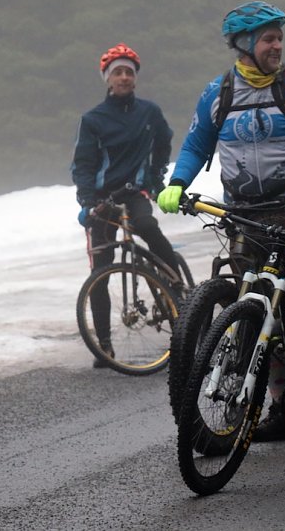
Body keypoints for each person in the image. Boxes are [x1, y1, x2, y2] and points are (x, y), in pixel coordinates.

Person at [157, 1, 285, 441]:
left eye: (279, 38)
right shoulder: (218, 92)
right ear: (244, 45)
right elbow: (197, 143)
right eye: (268, 39)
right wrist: (177, 181)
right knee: (260, 308)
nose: (277, 45)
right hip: (244, 216)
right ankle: (280, 411)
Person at [71, 42, 180, 368]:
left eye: (128, 72)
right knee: (101, 270)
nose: (123, 77)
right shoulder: (92, 119)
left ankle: (175, 283)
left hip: (135, 193)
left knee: (147, 225)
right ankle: (104, 347)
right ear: (107, 78)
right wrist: (88, 201)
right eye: (117, 72)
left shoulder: (150, 112)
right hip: (103, 199)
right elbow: (83, 165)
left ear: (135, 78)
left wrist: (156, 177)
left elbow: (164, 142)